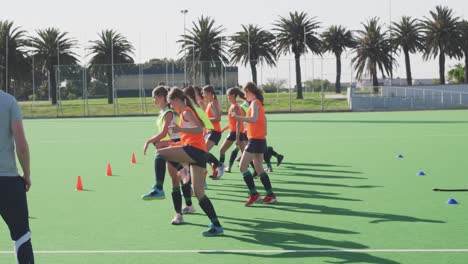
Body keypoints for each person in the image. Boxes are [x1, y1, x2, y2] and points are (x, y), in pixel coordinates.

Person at [157, 88, 224, 236]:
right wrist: (173, 144)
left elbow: (199, 129)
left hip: (195, 152)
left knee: (160, 155)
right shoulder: (184, 113)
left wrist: (180, 128)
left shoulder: (186, 112)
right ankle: (216, 225)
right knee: (199, 192)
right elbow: (188, 137)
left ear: (176, 100)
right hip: (197, 153)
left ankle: (158, 188)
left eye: (171, 103)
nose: (171, 107)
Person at [141, 86, 194, 224]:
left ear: (162, 97)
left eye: (154, 97)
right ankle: (185, 208)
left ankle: (180, 211)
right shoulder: (163, 112)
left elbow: (165, 133)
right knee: (176, 179)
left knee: (176, 180)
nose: (153, 100)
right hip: (172, 144)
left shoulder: (169, 112)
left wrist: (149, 141)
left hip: (178, 144)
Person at [0, 90, 35, 263]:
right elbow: (21, 145)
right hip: (8, 182)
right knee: (22, 236)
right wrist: (26, 174)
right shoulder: (8, 102)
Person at [232, 82, 277, 206]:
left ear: (251, 92)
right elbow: (262, 119)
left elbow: (254, 119)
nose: (245, 95)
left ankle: (254, 194)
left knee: (242, 167)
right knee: (259, 169)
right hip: (259, 139)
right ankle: (270, 195)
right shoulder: (257, 103)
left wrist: (238, 117)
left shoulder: (255, 103)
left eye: (246, 92)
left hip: (255, 140)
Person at [219, 88, 248, 173]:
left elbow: (238, 122)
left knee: (222, 150)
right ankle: (256, 171)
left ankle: (220, 169)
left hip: (235, 133)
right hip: (237, 132)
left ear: (233, 96)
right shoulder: (234, 106)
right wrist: (223, 129)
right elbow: (233, 122)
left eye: (228, 95)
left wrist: (237, 137)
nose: (227, 97)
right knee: (245, 153)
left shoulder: (235, 106)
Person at [202, 85, 226, 179]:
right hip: (209, 132)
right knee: (202, 152)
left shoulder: (214, 102)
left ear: (210, 93)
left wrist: (204, 120)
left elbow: (218, 118)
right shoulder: (210, 103)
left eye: (204, 93)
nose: (203, 95)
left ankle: (219, 165)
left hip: (215, 132)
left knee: (203, 152)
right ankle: (216, 166)